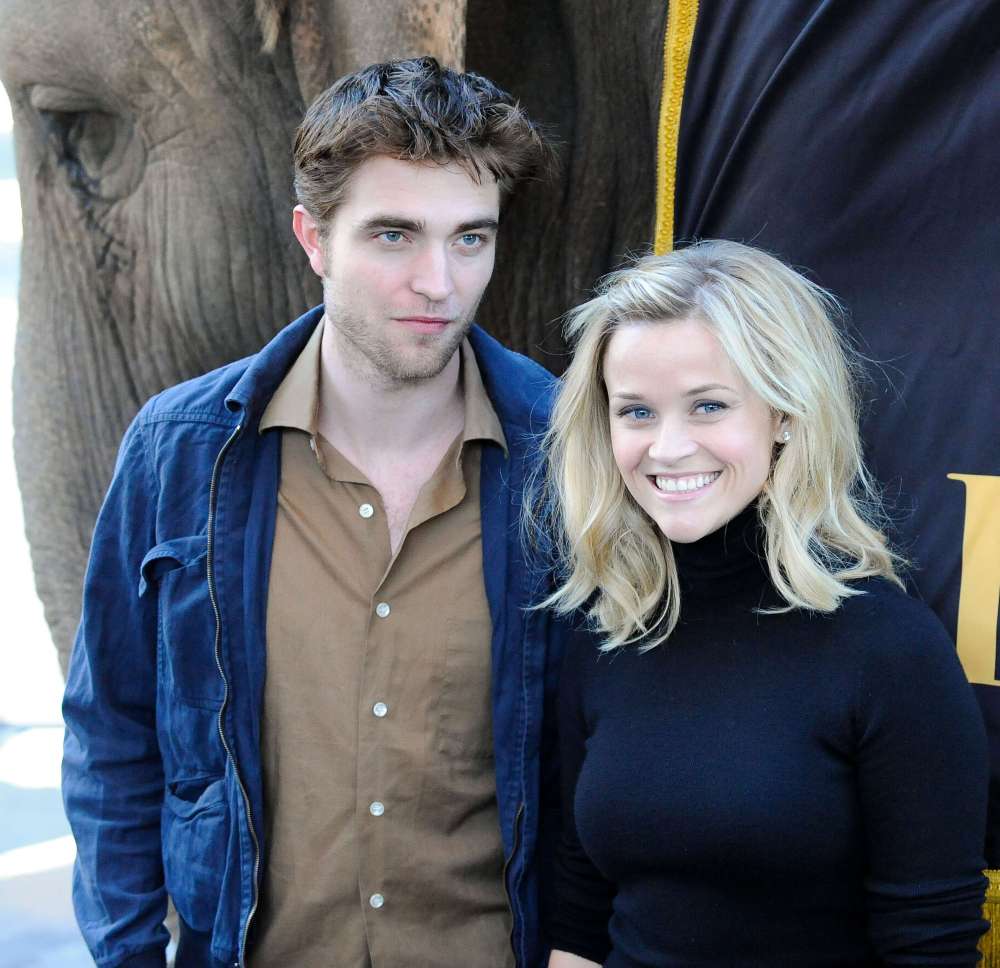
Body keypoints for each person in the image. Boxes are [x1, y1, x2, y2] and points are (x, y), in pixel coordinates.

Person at [62, 57, 568, 968]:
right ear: (314, 239)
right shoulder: (180, 450)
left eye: (469, 238)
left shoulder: (566, 454)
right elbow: (112, 736)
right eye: (393, 236)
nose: (438, 282)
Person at [538, 241, 989, 966]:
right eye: (637, 412)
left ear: (784, 412)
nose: (667, 448)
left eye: (708, 406)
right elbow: (582, 914)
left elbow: (929, 945)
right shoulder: (609, 629)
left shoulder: (888, 650)